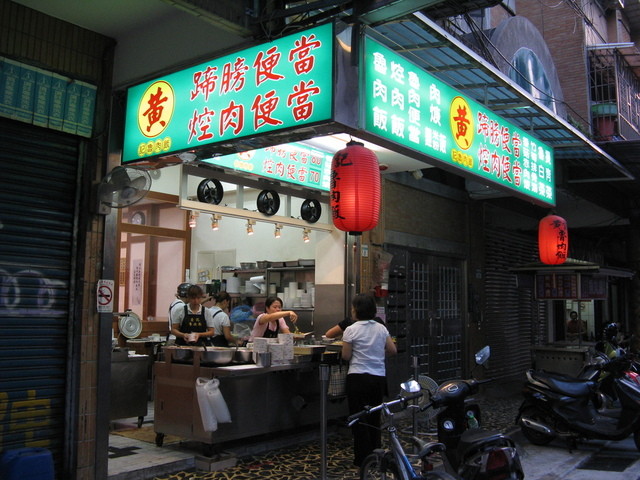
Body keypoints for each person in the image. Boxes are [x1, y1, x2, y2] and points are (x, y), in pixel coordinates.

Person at [341, 293, 397, 467]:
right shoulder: (381, 328)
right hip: (378, 378)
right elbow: (392, 350)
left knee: (359, 419)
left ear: (357, 310)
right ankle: (376, 454)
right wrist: (377, 353)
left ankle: (362, 458)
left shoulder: (351, 329)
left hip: (357, 377)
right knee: (374, 417)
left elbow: (346, 355)